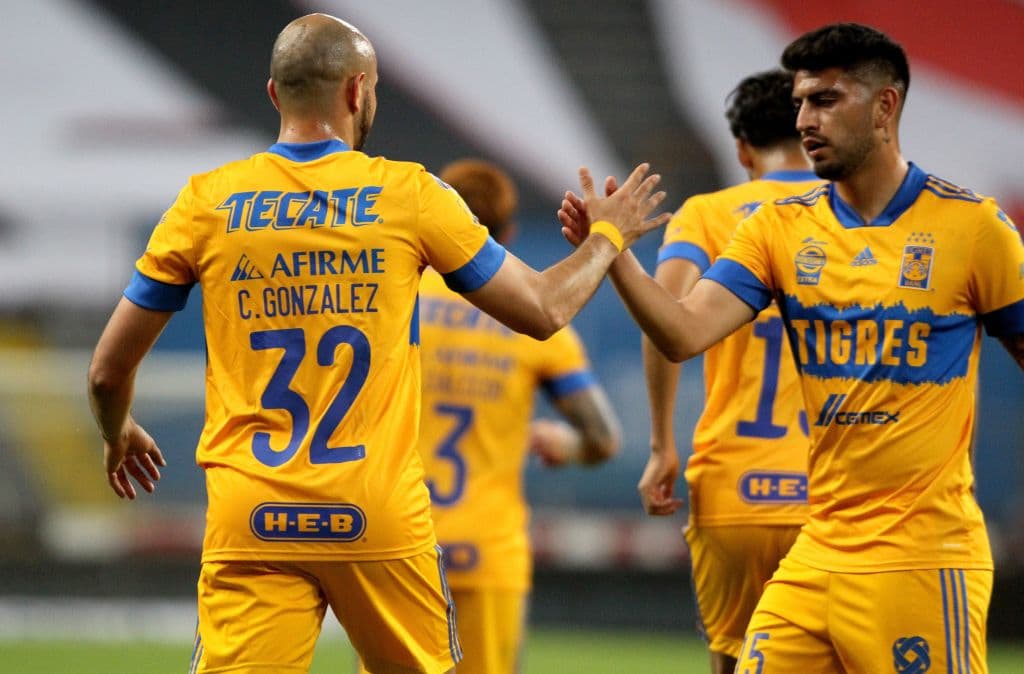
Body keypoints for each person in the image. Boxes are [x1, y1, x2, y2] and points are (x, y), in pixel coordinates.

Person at [85, 13, 668, 674]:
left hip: (254, 517)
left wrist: (117, 431)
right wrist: (609, 236)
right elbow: (543, 309)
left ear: (274, 94)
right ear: (357, 91)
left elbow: (106, 372)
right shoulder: (409, 194)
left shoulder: (204, 202)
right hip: (377, 514)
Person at [559, 22, 1024, 674]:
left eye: (826, 100)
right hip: (817, 548)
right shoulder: (777, 227)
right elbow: (683, 331)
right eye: (802, 102)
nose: (805, 119)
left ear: (885, 106)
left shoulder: (972, 228)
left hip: (920, 554)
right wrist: (613, 251)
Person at [357, 158, 620, 674]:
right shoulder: (534, 322)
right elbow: (603, 438)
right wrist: (563, 444)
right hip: (488, 551)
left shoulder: (390, 301)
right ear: (509, 233)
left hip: (397, 541)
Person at [638, 69, 818, 674]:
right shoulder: (849, 214)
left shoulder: (710, 214)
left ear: (742, 150)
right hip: (834, 493)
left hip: (734, 487)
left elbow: (664, 315)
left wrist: (662, 444)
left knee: (733, 663)